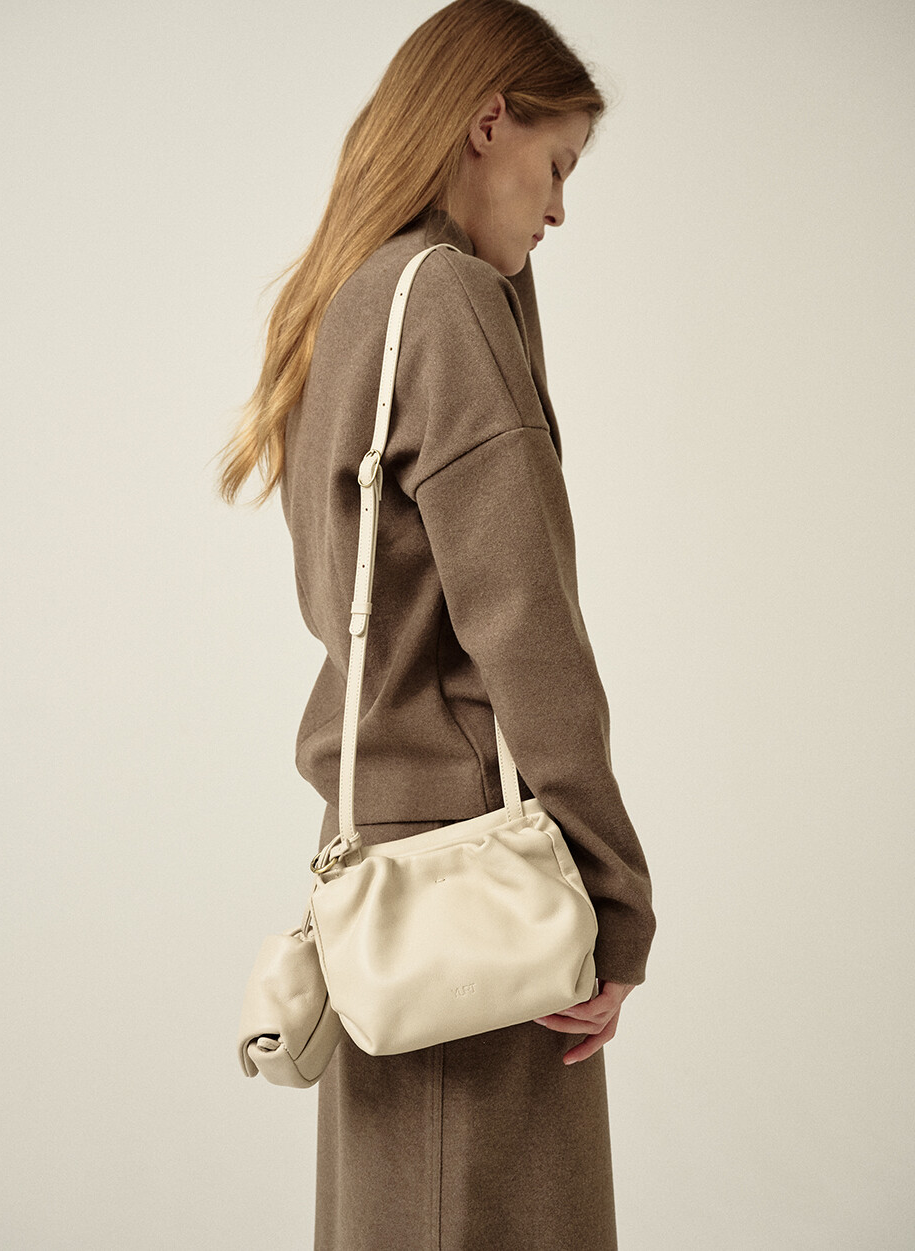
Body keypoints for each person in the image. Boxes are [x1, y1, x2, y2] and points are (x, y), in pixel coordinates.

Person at [217, 1, 656, 1246]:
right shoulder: (447, 300)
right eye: (556, 164)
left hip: (379, 874)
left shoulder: (354, 300)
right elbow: (524, 626)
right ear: (486, 122)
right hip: (480, 882)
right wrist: (614, 894)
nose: (559, 210)